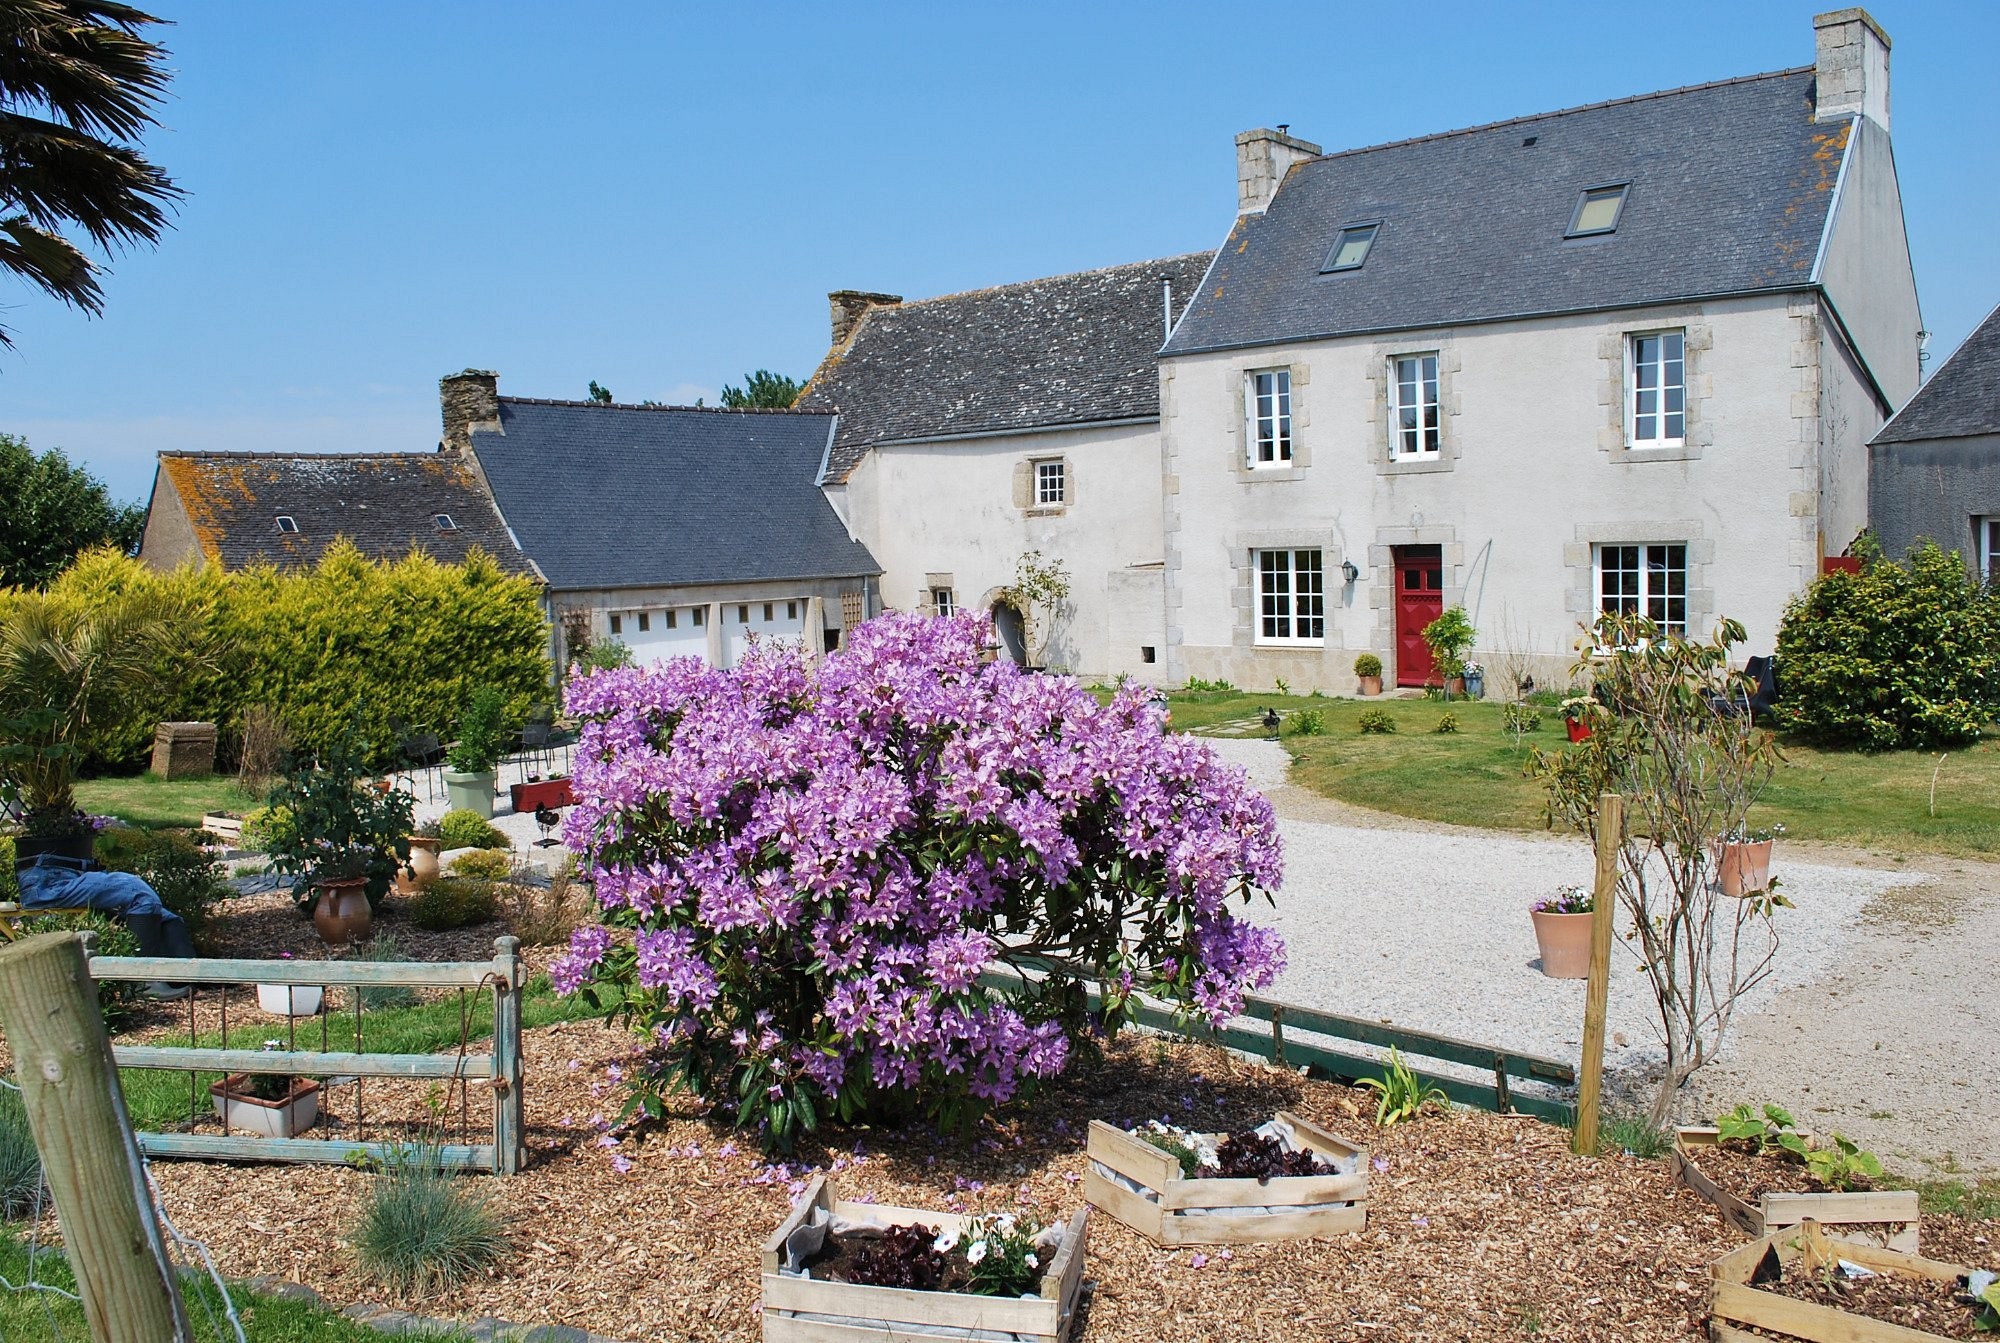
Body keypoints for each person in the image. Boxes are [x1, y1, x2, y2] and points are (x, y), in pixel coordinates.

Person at [14, 851, 193, 998]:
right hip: (50, 881)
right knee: (141, 896)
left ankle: (182, 974)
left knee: (164, 914)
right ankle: (141, 983)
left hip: (58, 875)